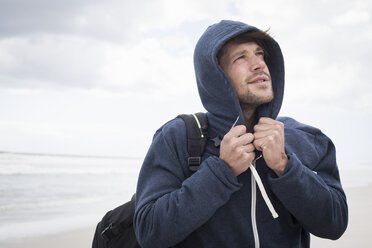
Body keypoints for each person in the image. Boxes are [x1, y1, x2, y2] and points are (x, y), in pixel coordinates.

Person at [133, 20, 348, 248]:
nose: (259, 65)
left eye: (260, 54)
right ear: (215, 76)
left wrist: (285, 167)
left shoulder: (306, 138)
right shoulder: (177, 137)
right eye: (241, 57)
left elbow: (335, 224)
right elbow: (149, 232)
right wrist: (221, 172)